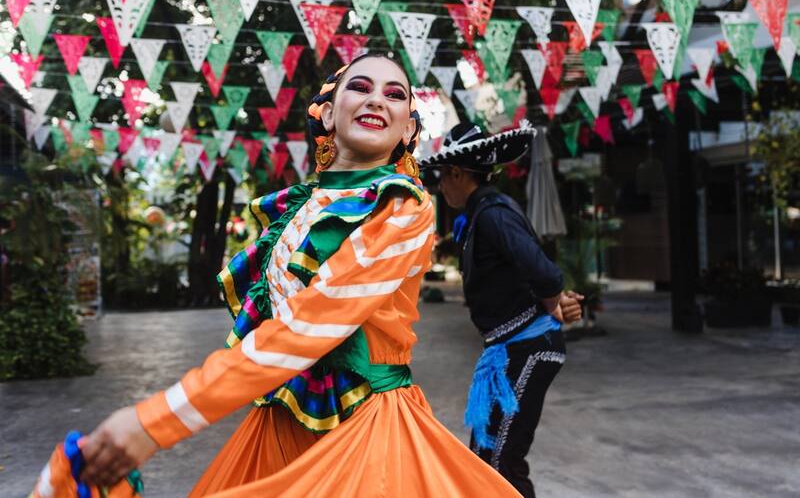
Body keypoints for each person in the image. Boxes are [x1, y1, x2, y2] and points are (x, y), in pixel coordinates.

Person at [31, 55, 523, 497]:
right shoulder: (299, 206)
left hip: (366, 427)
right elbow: (261, 331)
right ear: (328, 113)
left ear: (406, 130)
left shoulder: (403, 208)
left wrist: (157, 421)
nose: (378, 98)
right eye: (361, 87)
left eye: (395, 95)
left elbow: (313, 323)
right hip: (284, 415)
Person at [419, 121, 584, 498]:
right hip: (508, 349)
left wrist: (555, 305)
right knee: (484, 455)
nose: (439, 186)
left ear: (458, 173)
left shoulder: (492, 213)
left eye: (442, 177)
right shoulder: (482, 214)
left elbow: (544, 273)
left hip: (528, 345)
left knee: (502, 463)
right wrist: (554, 300)